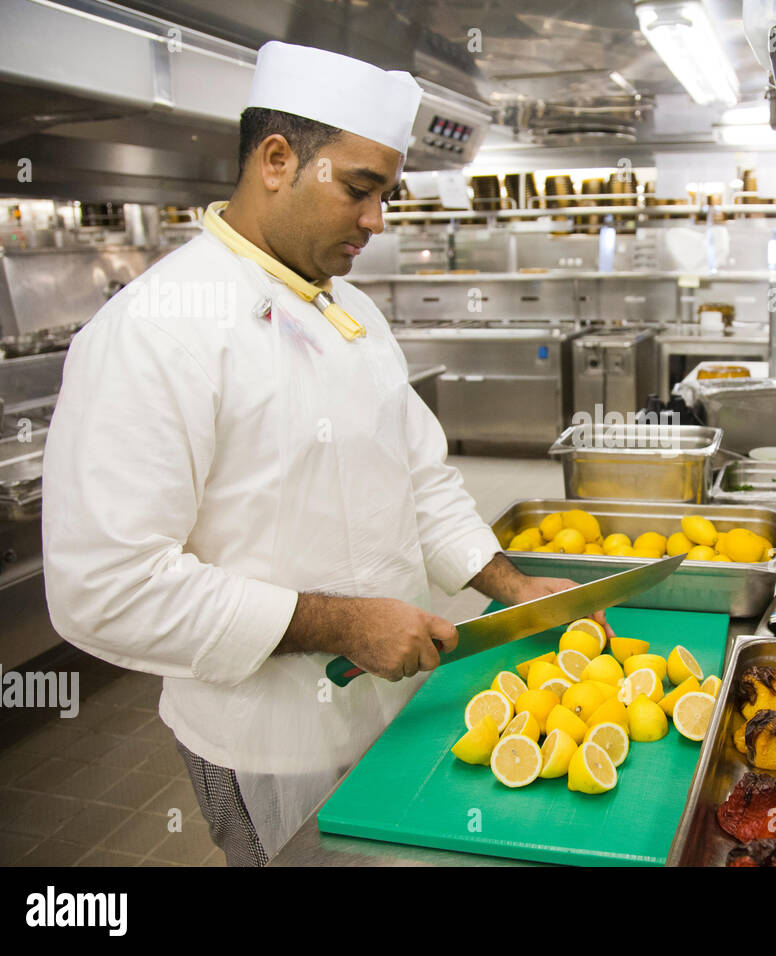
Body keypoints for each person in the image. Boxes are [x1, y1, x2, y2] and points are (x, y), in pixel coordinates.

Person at [41, 41, 611, 866]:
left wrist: (515, 588)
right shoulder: (154, 332)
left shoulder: (350, 316)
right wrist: (340, 622)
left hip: (398, 711)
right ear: (277, 160)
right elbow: (106, 585)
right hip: (267, 743)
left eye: (388, 194)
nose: (378, 221)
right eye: (360, 189)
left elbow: (421, 480)